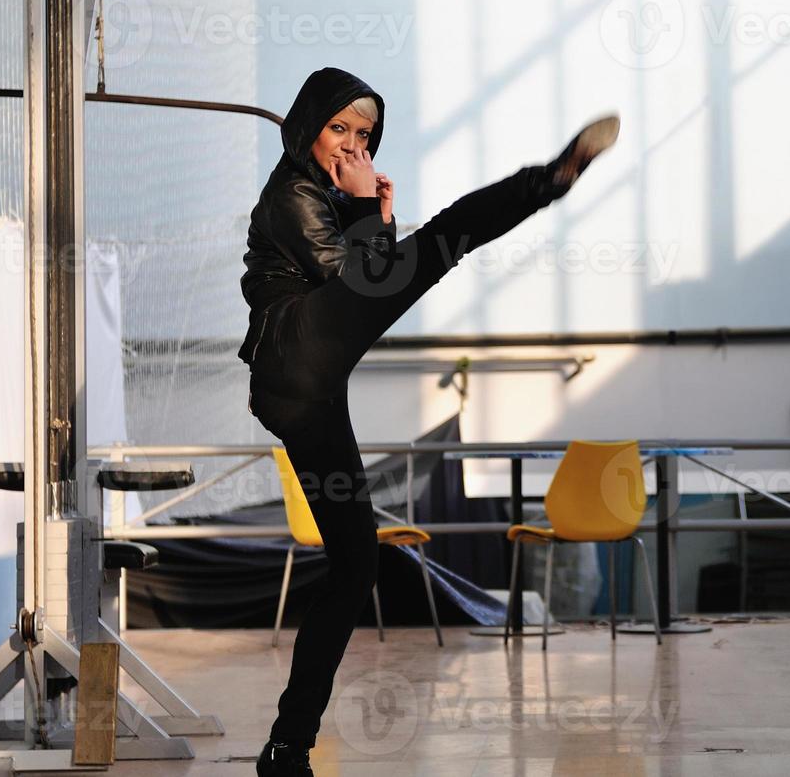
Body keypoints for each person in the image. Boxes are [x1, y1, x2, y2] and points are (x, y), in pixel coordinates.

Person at [238, 66, 617, 777]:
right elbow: (353, 281)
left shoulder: (321, 191)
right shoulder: (291, 194)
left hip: (312, 393)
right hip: (297, 355)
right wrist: (364, 214)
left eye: (364, 135)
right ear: (306, 126)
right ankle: (551, 179)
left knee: (354, 565)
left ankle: (287, 746)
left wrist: (370, 219)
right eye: (338, 129)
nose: (353, 146)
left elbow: (365, 277)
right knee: (447, 238)